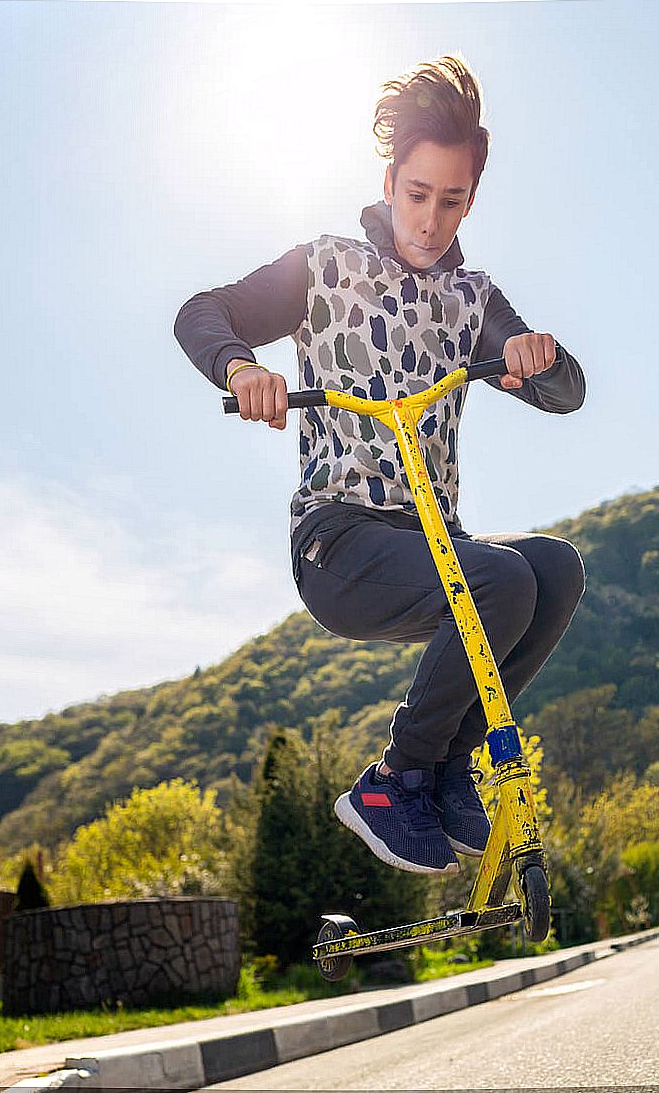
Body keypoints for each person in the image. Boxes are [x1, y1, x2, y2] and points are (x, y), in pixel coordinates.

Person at [174, 56, 586, 877]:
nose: (431, 220)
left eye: (453, 199)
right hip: (341, 543)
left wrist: (532, 355)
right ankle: (394, 779)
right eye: (417, 194)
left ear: (472, 197)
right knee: (499, 581)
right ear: (390, 180)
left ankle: (446, 769)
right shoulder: (324, 268)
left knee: (554, 569)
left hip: (432, 540)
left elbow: (565, 390)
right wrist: (241, 368)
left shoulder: (473, 299)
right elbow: (203, 312)